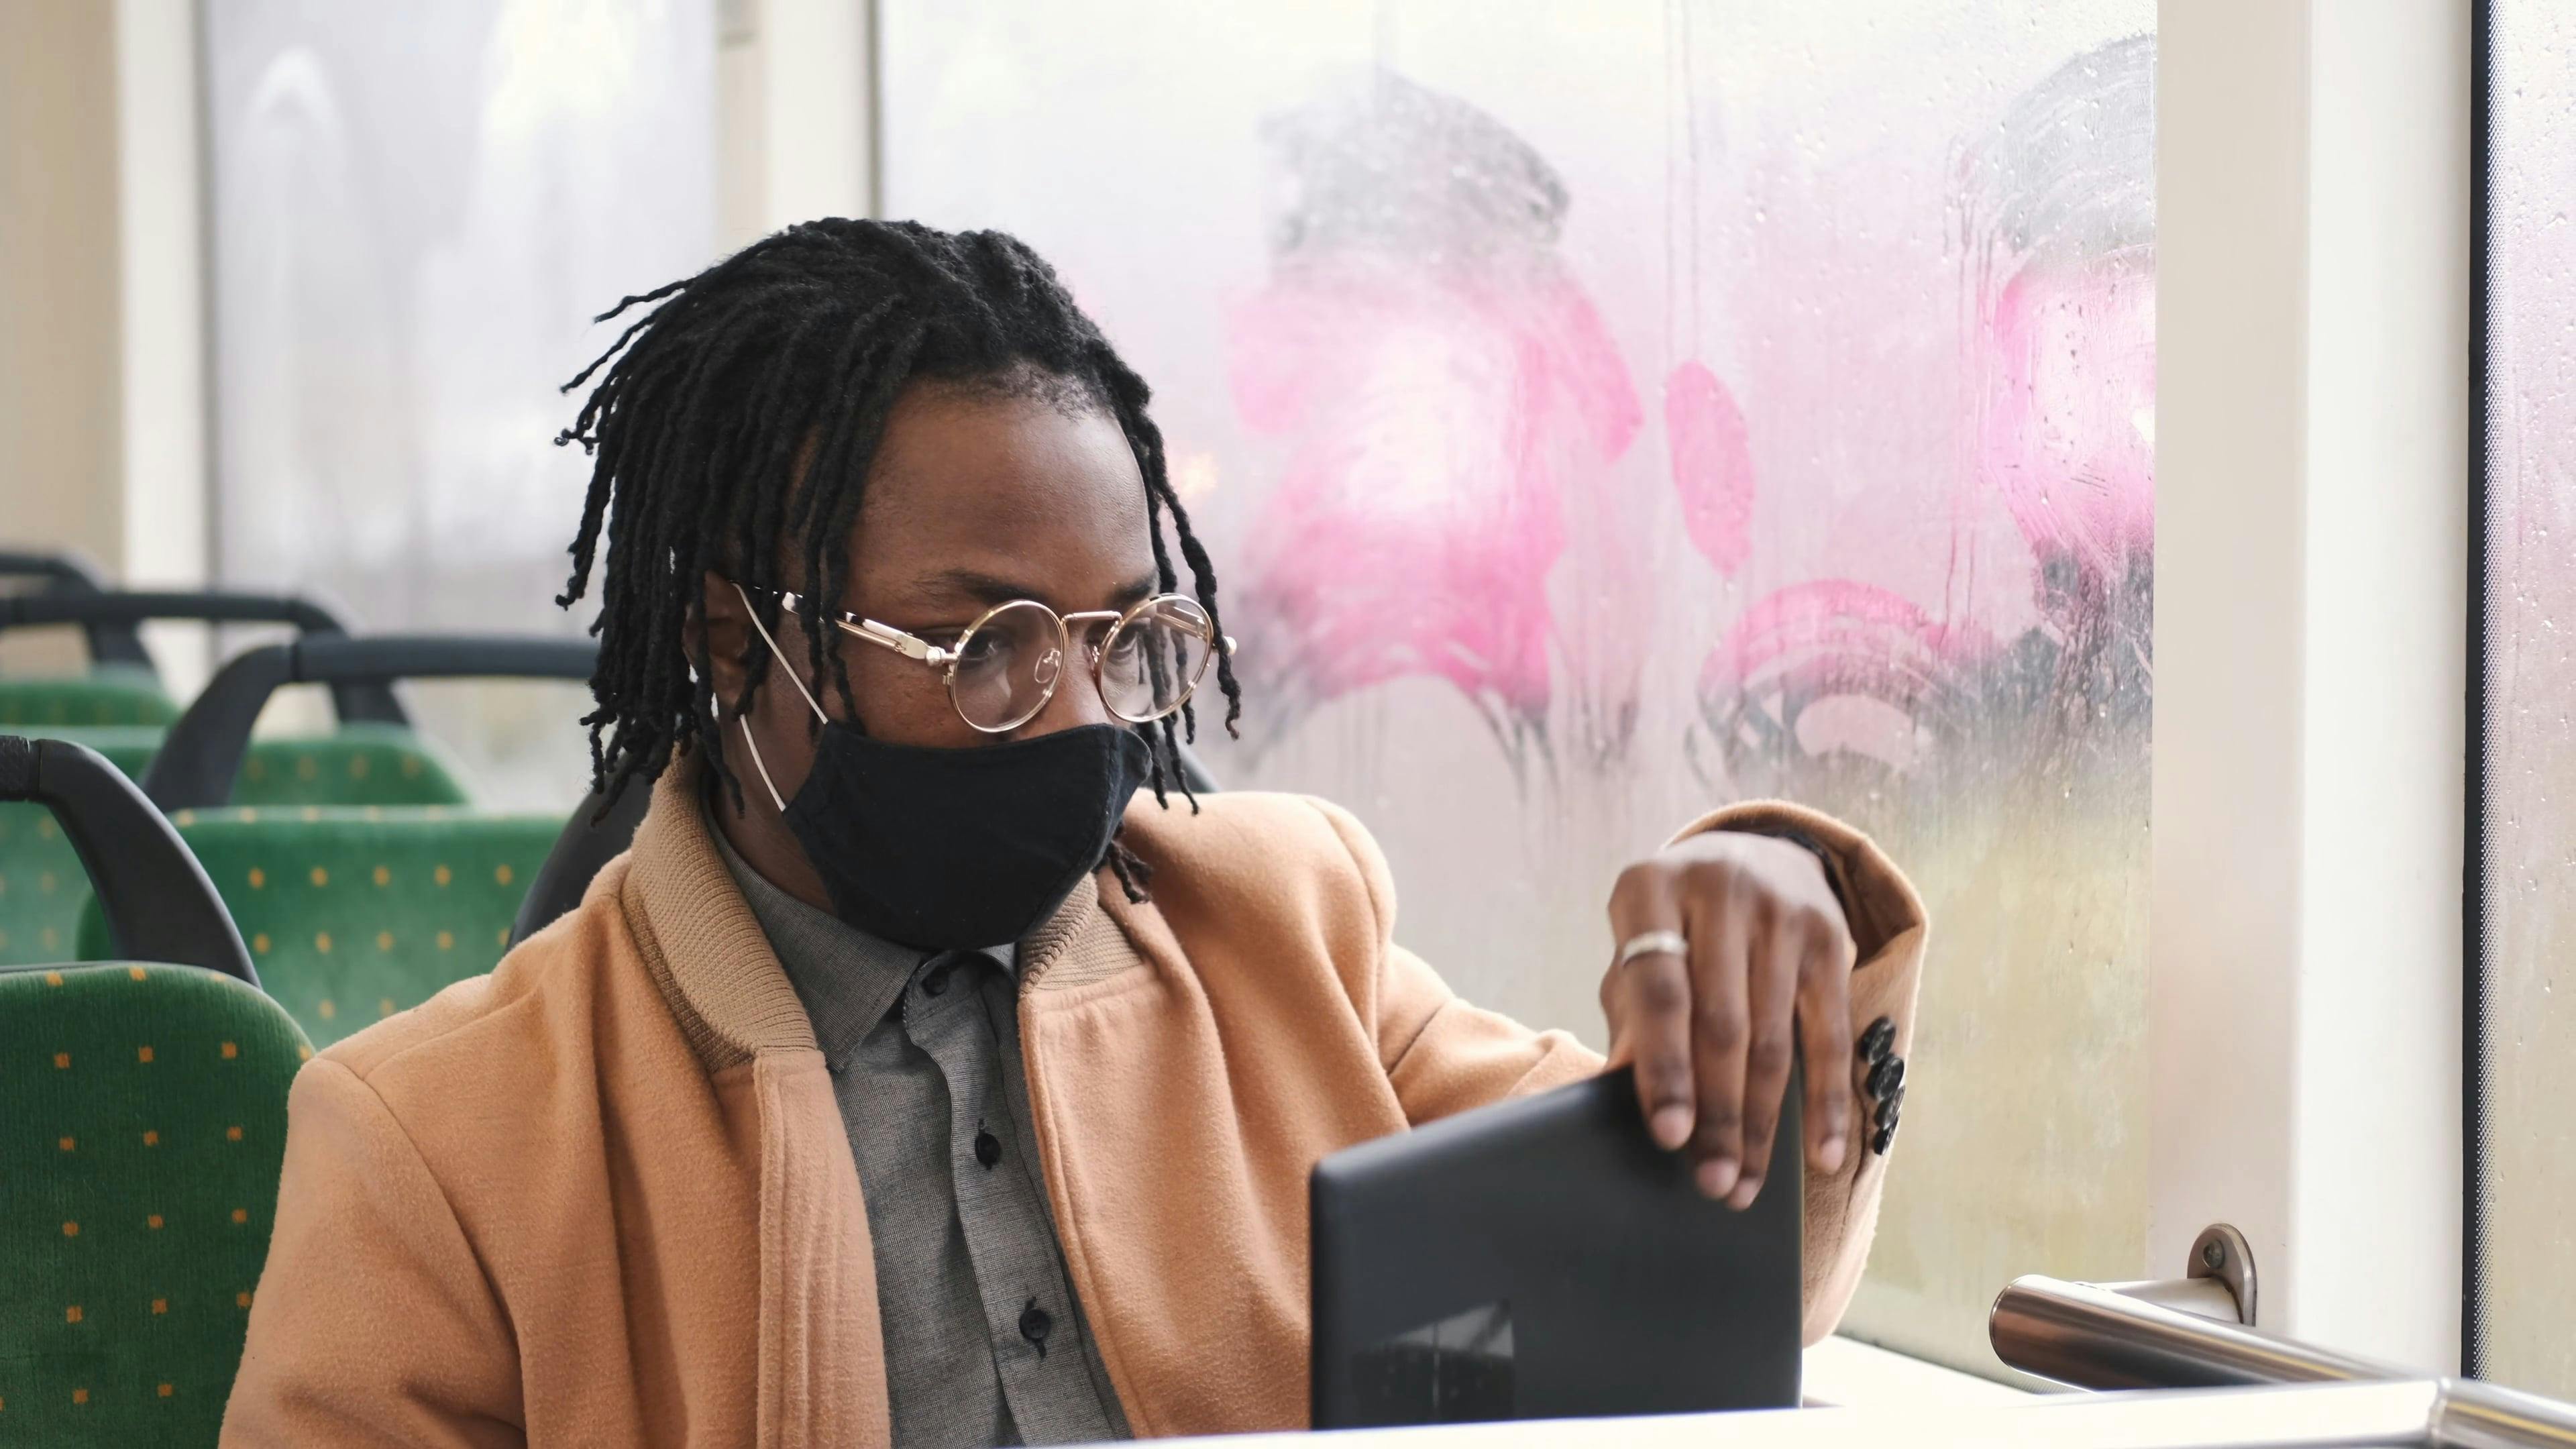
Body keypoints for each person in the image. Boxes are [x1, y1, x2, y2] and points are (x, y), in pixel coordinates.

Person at [220, 219, 1925, 1448]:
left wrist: (1778, 933)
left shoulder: (1291, 933)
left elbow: (1717, 1285)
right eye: (986, 647)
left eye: (1122, 640)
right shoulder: (437, 1150)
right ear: (739, 647)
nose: (1078, 720)